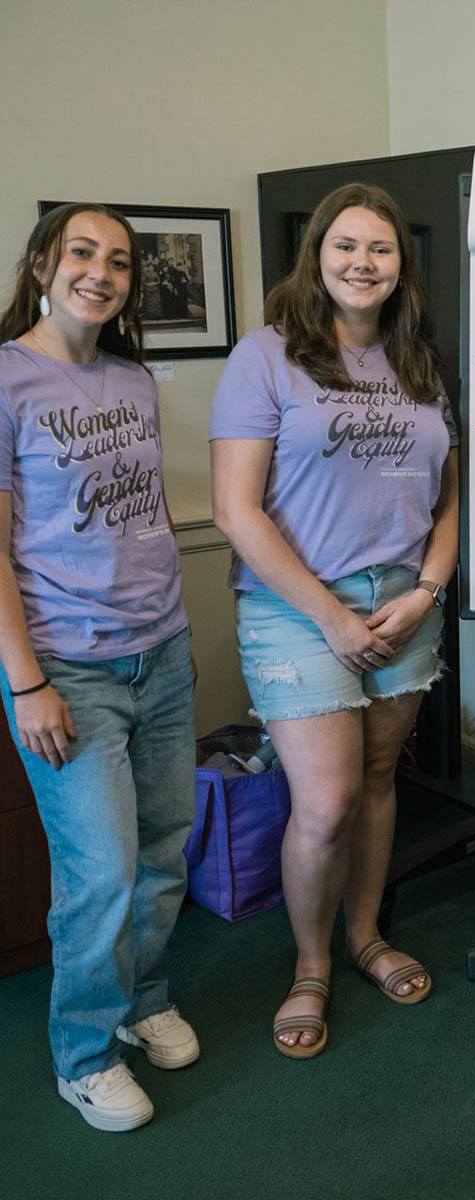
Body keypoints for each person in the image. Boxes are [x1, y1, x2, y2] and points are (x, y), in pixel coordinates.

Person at [210, 182, 458, 1058]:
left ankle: (365, 935)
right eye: (346, 246)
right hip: (295, 607)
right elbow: (236, 511)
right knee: (327, 800)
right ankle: (310, 965)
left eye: (381, 249)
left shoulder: (418, 358)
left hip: (405, 599)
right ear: (317, 256)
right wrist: (331, 618)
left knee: (383, 776)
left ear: (401, 265)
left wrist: (428, 588)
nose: (364, 262)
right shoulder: (266, 357)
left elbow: (451, 495)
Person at [0, 204, 198, 1131]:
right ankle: (83, 1051)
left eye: (119, 261)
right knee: (102, 872)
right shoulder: (7, 380)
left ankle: (142, 1002)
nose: (101, 273)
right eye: (82, 252)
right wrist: (27, 681)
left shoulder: (133, 377)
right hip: (66, 669)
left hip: (160, 650)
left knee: (164, 846)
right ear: (44, 261)